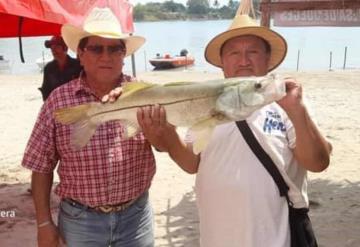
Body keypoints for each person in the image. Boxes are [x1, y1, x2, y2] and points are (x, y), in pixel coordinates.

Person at [134, 12, 332, 247]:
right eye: (234, 53)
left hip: (278, 239)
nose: (244, 60)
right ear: (223, 62)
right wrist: (167, 137)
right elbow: (192, 163)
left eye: (253, 52)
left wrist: (297, 112)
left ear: (269, 59)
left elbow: (318, 163)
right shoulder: (203, 101)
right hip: (217, 237)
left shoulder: (287, 103)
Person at [22, 7, 155, 247]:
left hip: (136, 219)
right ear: (81, 55)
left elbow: (167, 146)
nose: (106, 56)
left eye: (115, 48)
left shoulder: (144, 95)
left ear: (123, 54)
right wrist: (44, 224)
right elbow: (41, 165)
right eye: (96, 48)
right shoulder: (59, 101)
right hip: (80, 221)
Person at [39, 35, 82, 101]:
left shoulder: (78, 65)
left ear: (65, 48)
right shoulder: (48, 68)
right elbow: (46, 90)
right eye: (52, 48)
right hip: (56, 104)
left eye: (56, 47)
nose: (53, 50)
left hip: (76, 103)